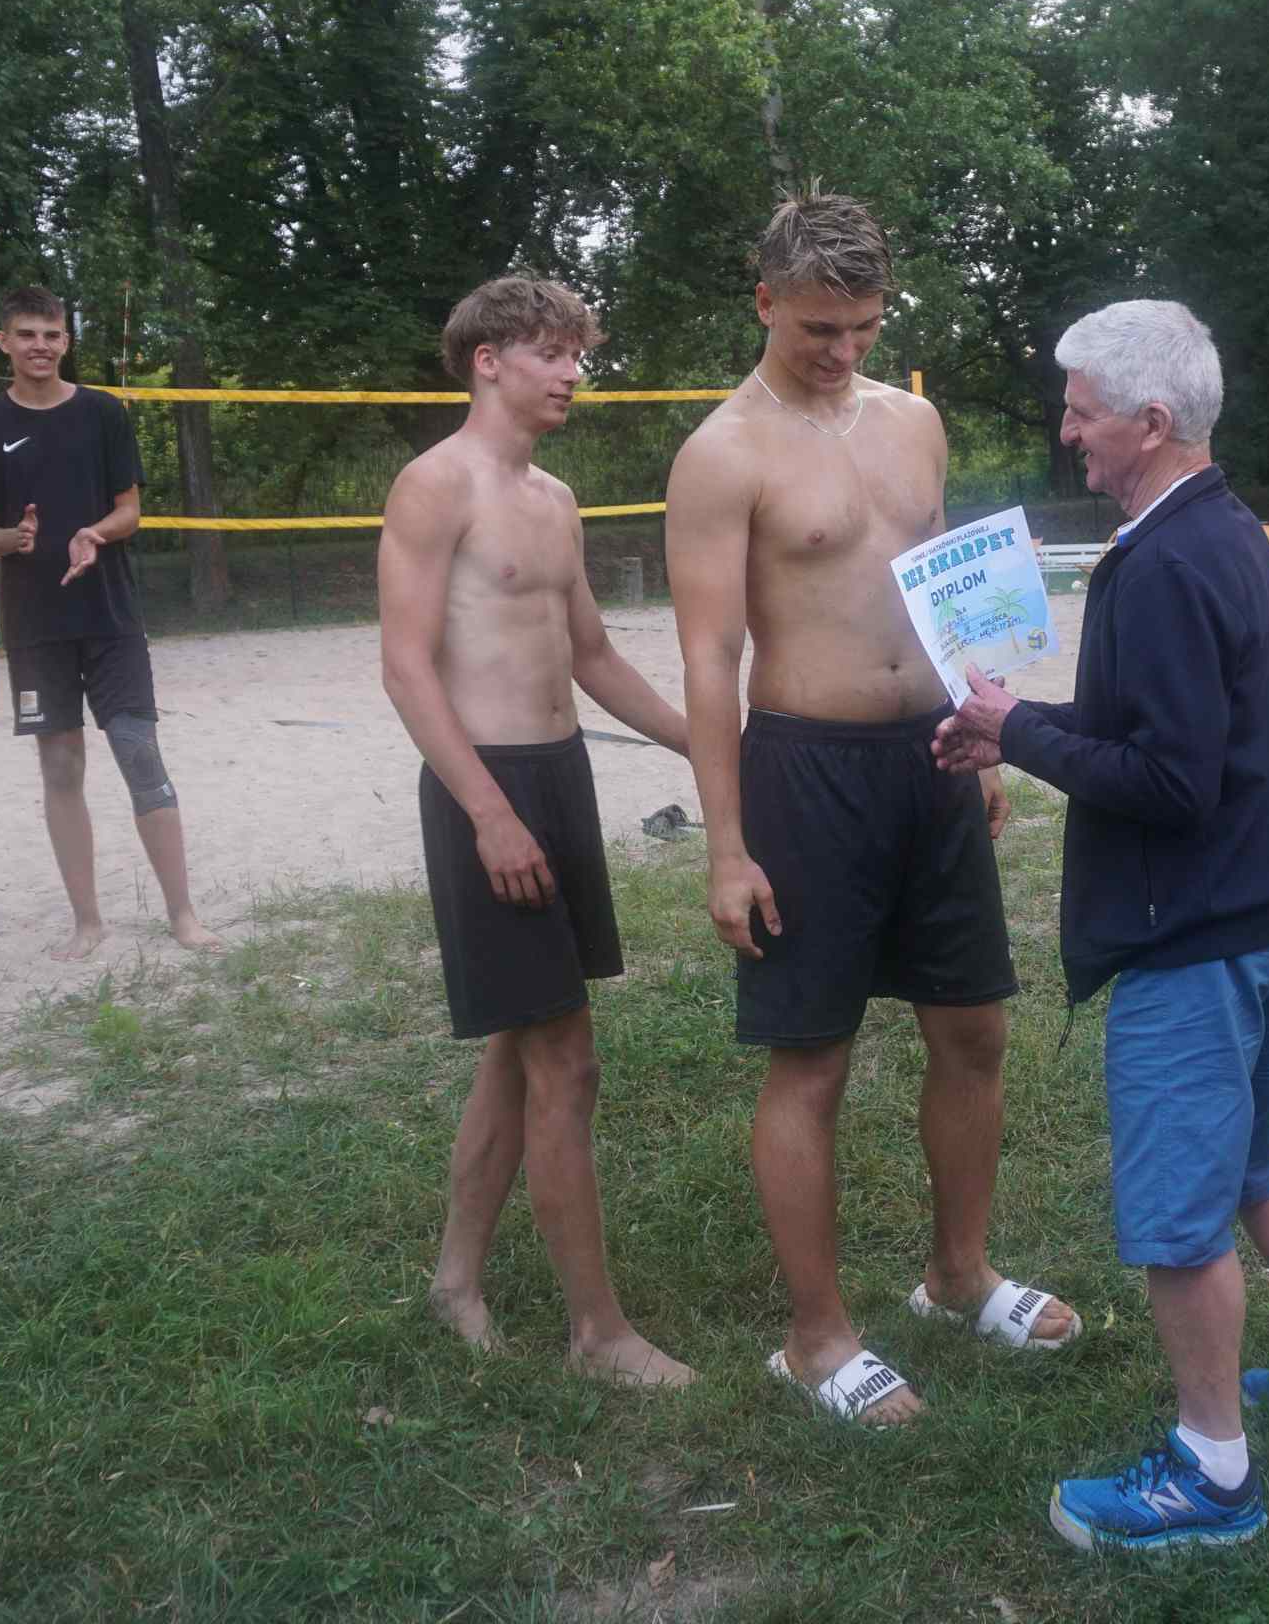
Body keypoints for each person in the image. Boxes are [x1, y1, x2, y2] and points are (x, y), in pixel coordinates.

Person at [931, 298, 1269, 1553]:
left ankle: (1211, 1474)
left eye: (1083, 406)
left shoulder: (1165, 561)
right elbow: (1165, 719)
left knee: (1180, 1217)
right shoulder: (1218, 528)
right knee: (1254, 1154)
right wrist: (1017, 719)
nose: (1066, 427)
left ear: (1152, 420)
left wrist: (1018, 737)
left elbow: (1172, 783)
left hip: (1197, 936)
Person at [665, 192, 1073, 1427]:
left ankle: (959, 1272)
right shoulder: (721, 453)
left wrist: (986, 732)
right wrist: (727, 844)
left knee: (975, 1032)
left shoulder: (915, 420)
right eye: (818, 329)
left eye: (862, 327)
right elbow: (707, 658)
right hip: (805, 768)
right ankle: (817, 1334)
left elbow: (949, 586)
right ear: (765, 303)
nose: (842, 351)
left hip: (932, 758)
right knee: (814, 1058)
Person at [378, 276, 695, 1388]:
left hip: (556, 777)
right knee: (568, 1059)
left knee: (521, 1049)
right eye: (552, 353)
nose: (573, 373)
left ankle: (455, 1276)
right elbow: (406, 666)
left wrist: (705, 740)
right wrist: (489, 812)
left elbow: (594, 655)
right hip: (487, 788)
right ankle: (597, 1333)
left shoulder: (555, 498)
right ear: (488, 361)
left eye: (578, 353)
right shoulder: (433, 486)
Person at [0, 287, 217, 961]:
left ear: (66, 341)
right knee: (61, 767)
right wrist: (16, 539)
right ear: (3, 342)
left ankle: (183, 915)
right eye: (27, 334)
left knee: (139, 754)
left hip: (111, 616)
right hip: (36, 625)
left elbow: (130, 511)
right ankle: (86, 921)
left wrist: (94, 532)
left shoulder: (102, 413)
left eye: (52, 334)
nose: (41, 345)